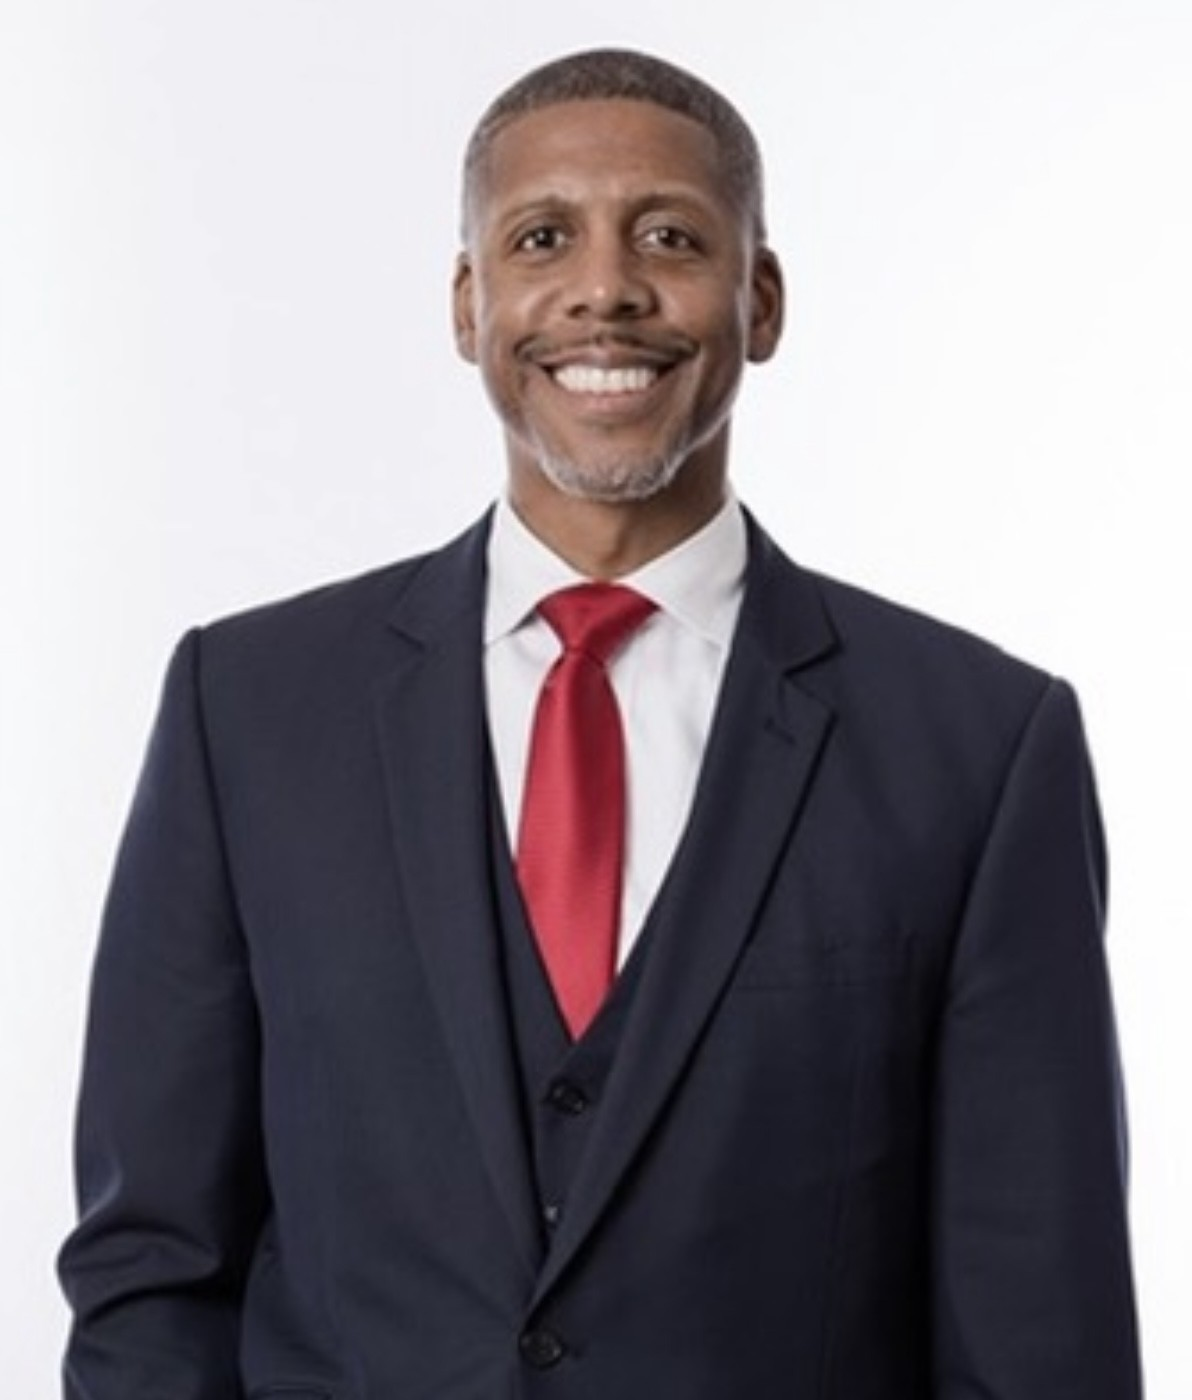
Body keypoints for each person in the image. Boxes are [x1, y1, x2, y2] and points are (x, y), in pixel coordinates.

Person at [59, 47, 1144, 1399]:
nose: (606, 288)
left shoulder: (981, 747)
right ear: (471, 303)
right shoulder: (250, 710)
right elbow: (155, 1271)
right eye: (542, 237)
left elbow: (1045, 1339)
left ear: (762, 298)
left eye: (673, 237)